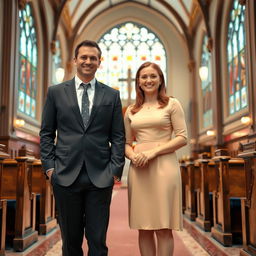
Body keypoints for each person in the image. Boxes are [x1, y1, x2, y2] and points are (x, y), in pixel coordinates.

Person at [40, 40, 125, 256]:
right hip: (65, 175)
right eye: (84, 57)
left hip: (100, 176)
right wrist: (50, 169)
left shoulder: (111, 95)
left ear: (99, 62)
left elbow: (118, 136)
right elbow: (47, 133)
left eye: (93, 58)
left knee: (98, 241)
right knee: (70, 241)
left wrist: (114, 170)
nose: (88, 61)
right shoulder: (56, 92)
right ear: (75, 60)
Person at [124, 62, 187, 256]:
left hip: (164, 167)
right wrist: (133, 156)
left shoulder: (172, 104)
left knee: (163, 226)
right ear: (138, 82)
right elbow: (126, 143)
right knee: (144, 226)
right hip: (140, 168)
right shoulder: (131, 110)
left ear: (160, 80)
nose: (148, 80)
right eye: (144, 77)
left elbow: (182, 137)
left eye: (153, 76)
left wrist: (153, 152)